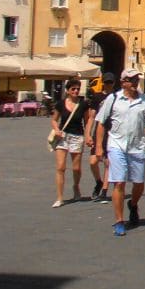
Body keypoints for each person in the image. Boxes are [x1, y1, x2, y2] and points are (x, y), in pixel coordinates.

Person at [95, 68, 145, 237]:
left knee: (139, 184)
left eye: (137, 79)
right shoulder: (113, 99)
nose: (136, 82)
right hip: (116, 146)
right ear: (124, 82)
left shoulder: (143, 100)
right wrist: (99, 146)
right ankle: (119, 221)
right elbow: (100, 122)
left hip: (137, 147)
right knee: (119, 182)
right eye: (132, 79)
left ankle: (133, 204)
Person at [50, 79, 93, 207]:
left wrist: (87, 135)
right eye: (73, 89)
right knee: (60, 167)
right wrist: (56, 129)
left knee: (76, 168)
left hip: (77, 136)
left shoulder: (83, 104)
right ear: (67, 90)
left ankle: (76, 186)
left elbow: (88, 120)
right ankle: (59, 197)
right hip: (63, 136)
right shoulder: (60, 104)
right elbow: (54, 120)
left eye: (77, 89)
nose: (75, 91)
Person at [86, 72, 116, 201]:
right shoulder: (97, 97)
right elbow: (91, 117)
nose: (108, 84)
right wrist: (87, 134)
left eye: (110, 82)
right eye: (106, 82)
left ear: (114, 83)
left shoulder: (116, 97)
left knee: (108, 163)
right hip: (99, 131)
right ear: (103, 82)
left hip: (112, 132)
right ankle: (98, 181)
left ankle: (104, 190)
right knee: (93, 161)